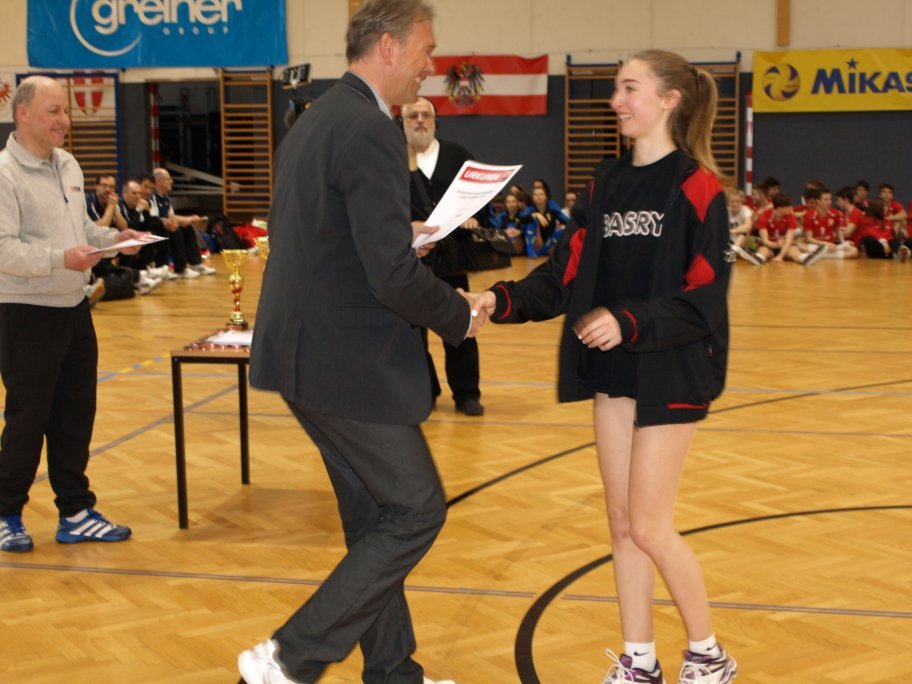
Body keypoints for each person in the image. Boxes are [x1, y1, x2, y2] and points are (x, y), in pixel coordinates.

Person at [475, 50, 738, 684]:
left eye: (629, 87)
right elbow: (563, 275)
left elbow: (704, 295)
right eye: (617, 88)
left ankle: (708, 655)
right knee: (622, 524)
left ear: (670, 99)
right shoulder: (604, 184)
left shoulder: (699, 188)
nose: (616, 100)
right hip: (614, 371)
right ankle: (639, 660)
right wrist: (498, 300)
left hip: (673, 367)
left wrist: (629, 320)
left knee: (649, 524)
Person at [243, 2, 483, 683]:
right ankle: (290, 655)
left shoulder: (317, 119)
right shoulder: (374, 130)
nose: (432, 66)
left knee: (375, 517)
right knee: (416, 510)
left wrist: (394, 233)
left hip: (304, 355)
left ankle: (393, 671)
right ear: (387, 47)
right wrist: (459, 315)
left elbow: (319, 233)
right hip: (346, 363)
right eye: (425, 50)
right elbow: (390, 277)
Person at [0, 76, 146, 552]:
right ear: (23, 114)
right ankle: (6, 512)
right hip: (26, 312)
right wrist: (62, 259)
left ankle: (76, 511)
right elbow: (4, 250)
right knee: (28, 419)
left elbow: (79, 229)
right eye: (54, 111)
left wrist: (116, 241)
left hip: (74, 308)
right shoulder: (4, 174)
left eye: (65, 111)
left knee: (75, 415)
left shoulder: (67, 164)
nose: (65, 120)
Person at [402, 95, 486, 416]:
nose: (420, 120)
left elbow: (481, 200)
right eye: (413, 115)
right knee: (412, 332)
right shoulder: (391, 159)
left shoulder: (458, 156)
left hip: (451, 261)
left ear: (436, 121)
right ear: (402, 122)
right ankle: (425, 391)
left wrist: (474, 217)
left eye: (426, 115)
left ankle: (467, 394)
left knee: (460, 325)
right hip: (406, 261)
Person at [150, 167, 215, 278]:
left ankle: (196, 264)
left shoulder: (166, 198)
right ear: (158, 181)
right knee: (176, 230)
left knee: (187, 227)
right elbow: (154, 219)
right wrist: (177, 222)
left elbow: (171, 216)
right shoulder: (152, 197)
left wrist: (189, 219)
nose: (172, 181)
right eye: (168, 179)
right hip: (155, 228)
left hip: (166, 225)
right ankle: (180, 269)